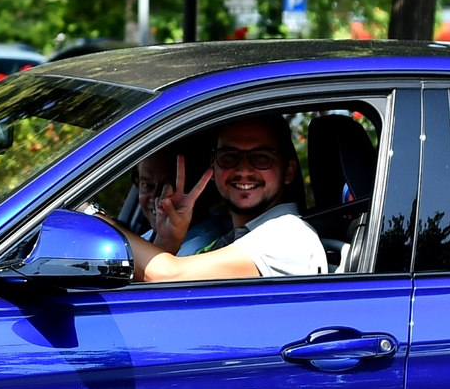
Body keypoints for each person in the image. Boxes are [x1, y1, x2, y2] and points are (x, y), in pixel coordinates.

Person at [101, 113, 328, 281]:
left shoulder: (289, 236)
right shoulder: (238, 237)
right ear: (214, 167)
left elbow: (166, 275)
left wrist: (98, 221)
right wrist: (167, 242)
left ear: (288, 171)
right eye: (229, 157)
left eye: (261, 158)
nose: (243, 170)